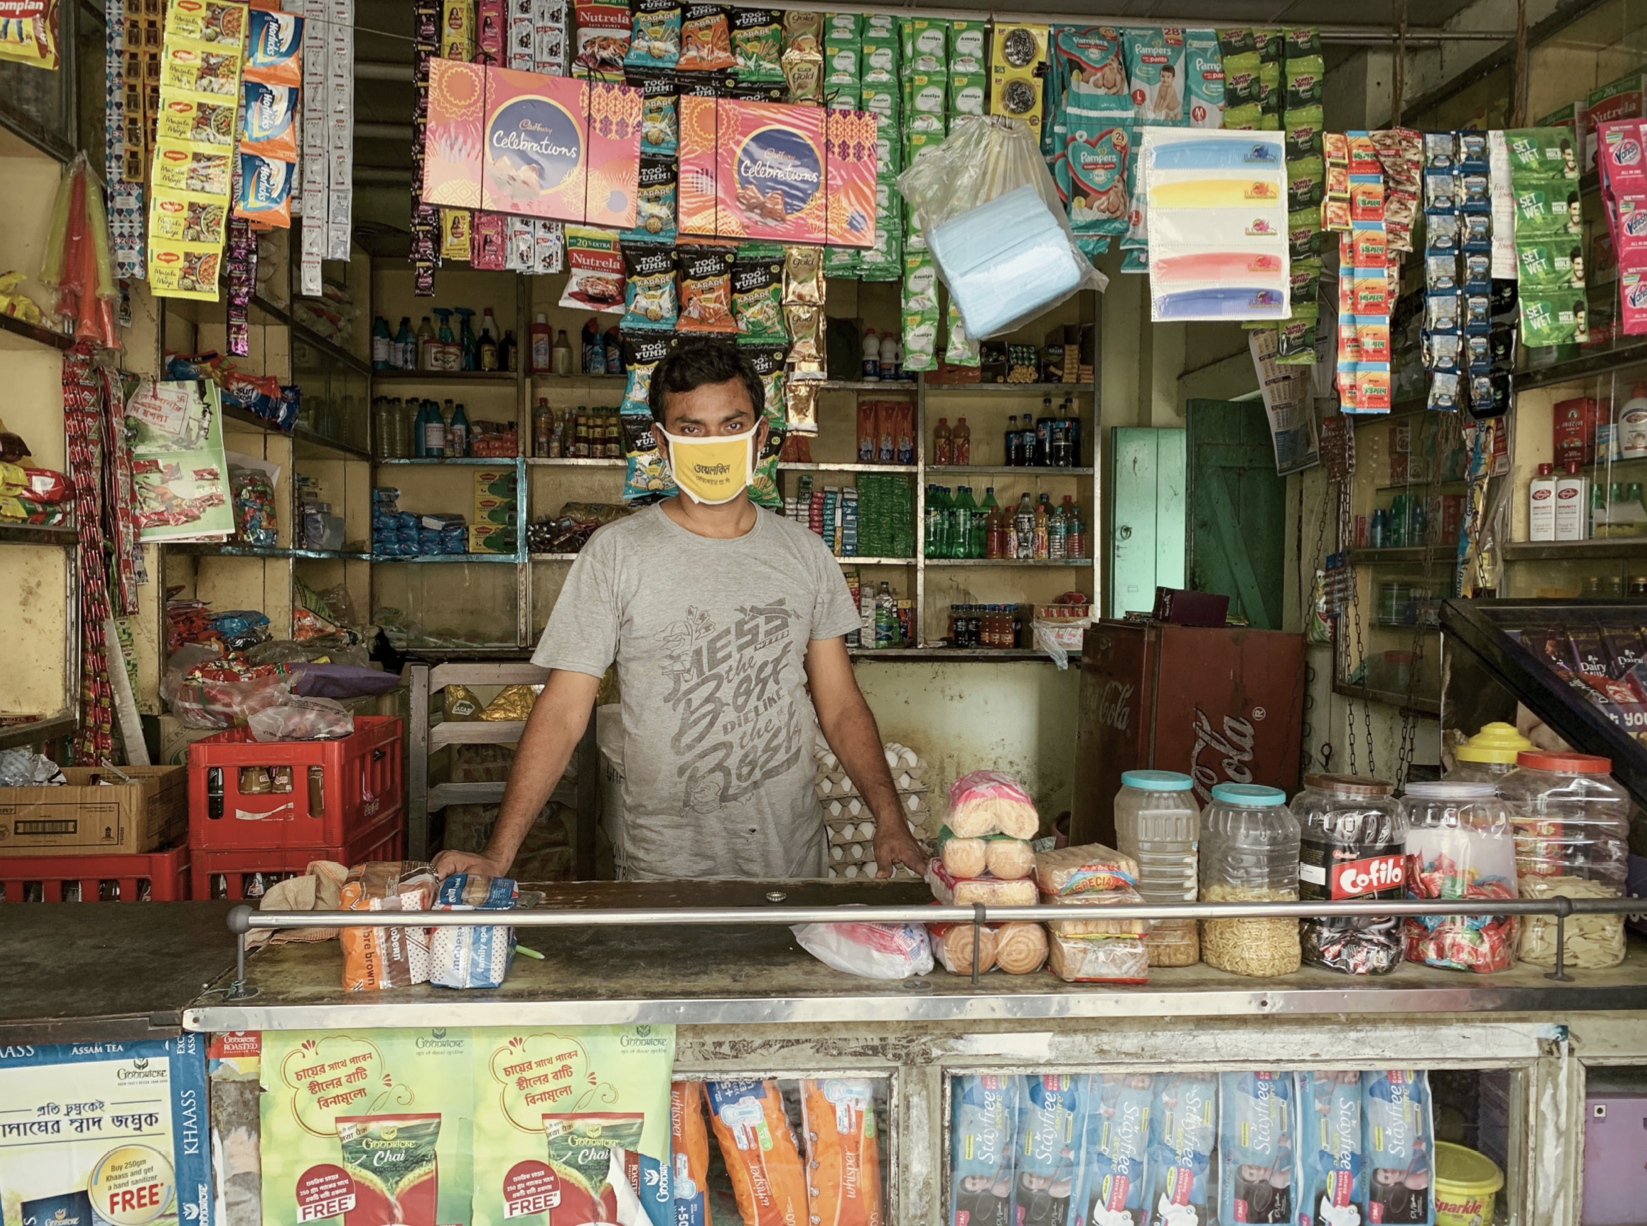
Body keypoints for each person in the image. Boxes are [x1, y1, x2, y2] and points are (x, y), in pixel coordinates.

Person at [432, 336, 927, 882]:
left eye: (732, 425)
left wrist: (890, 818)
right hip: (664, 871)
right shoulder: (617, 554)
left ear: (761, 437)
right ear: (663, 447)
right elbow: (564, 712)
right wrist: (500, 854)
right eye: (691, 429)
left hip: (791, 866)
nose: (713, 443)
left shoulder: (804, 554)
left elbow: (840, 706)